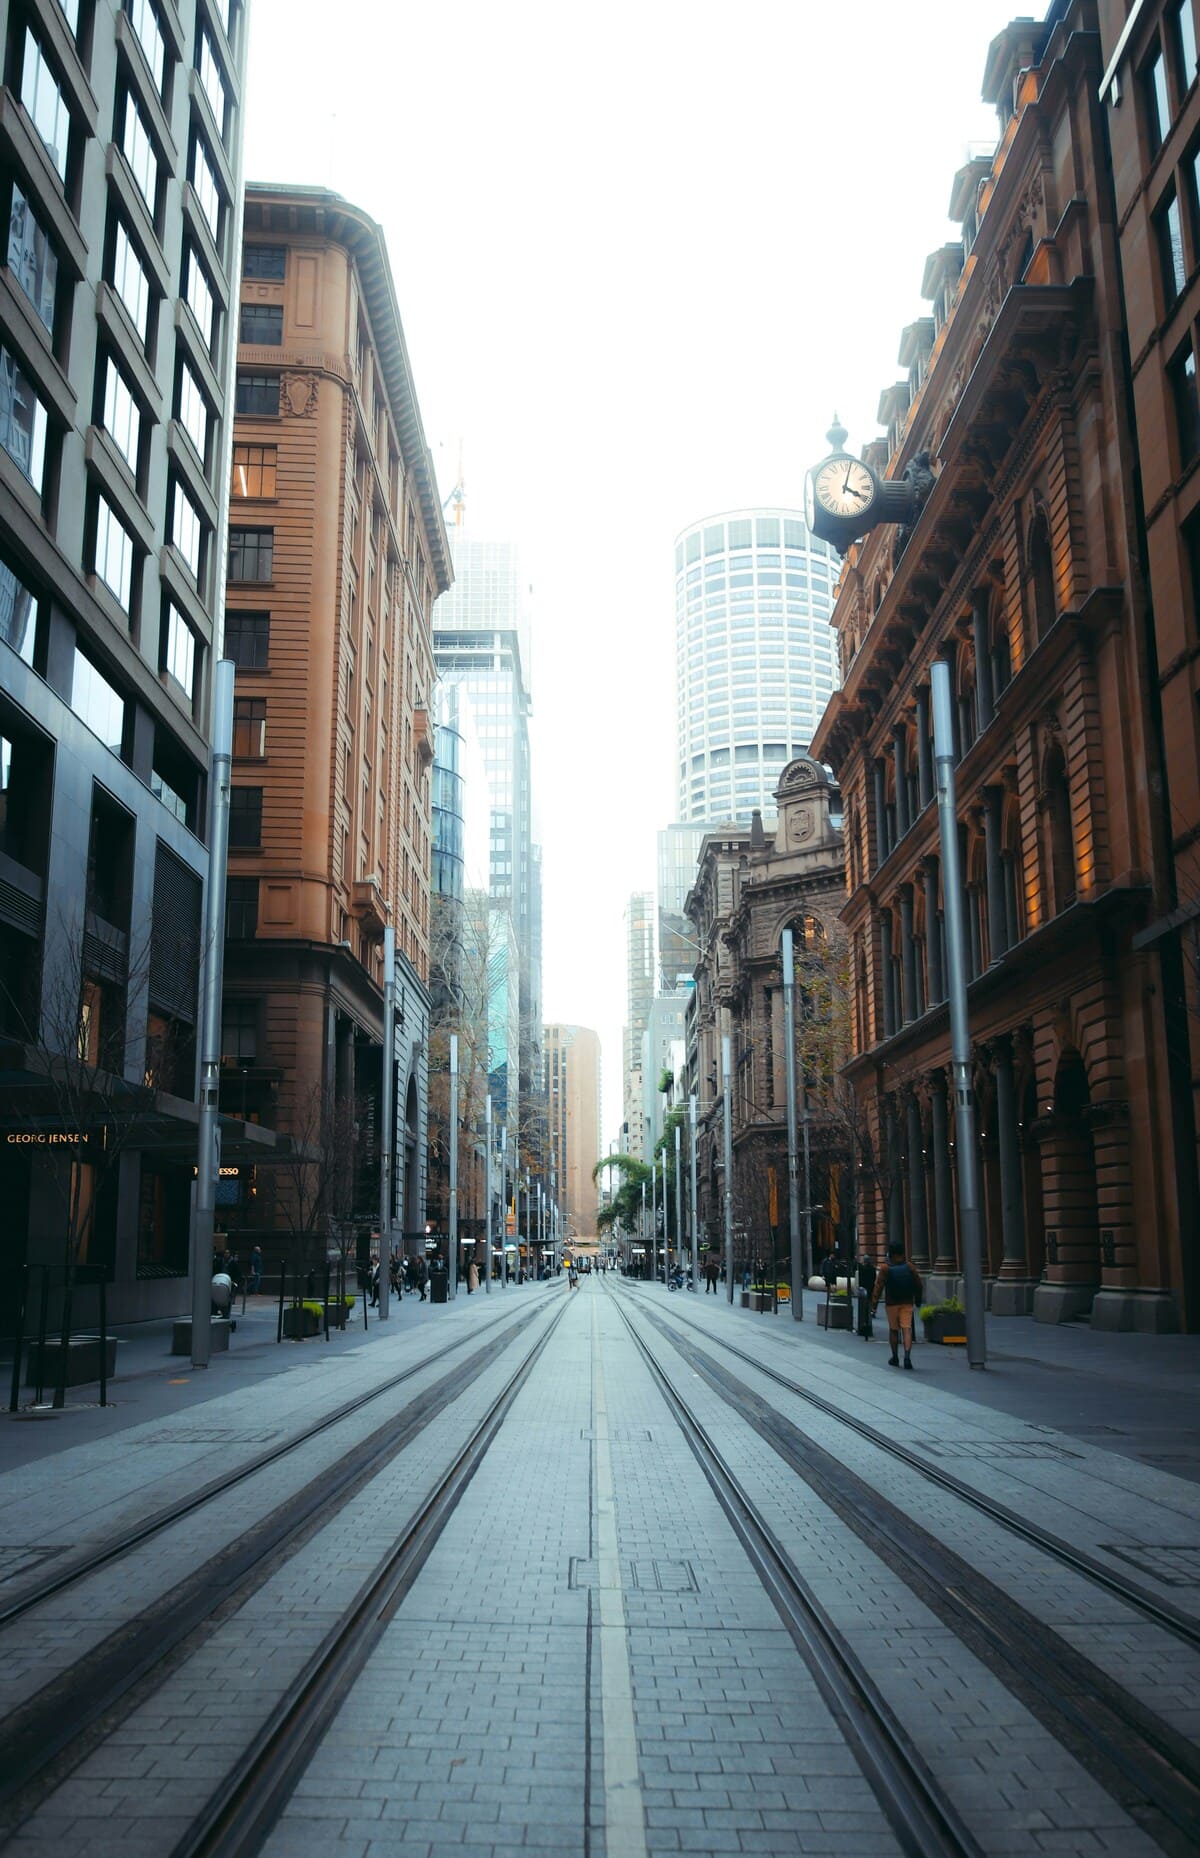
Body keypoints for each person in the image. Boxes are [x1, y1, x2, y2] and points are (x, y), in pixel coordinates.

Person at [870, 1239, 923, 1368]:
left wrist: (874, 1305)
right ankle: (907, 1357)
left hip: (892, 1302)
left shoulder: (885, 1268)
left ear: (891, 1253)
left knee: (894, 1330)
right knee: (907, 1329)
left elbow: (878, 1287)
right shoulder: (909, 1266)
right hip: (907, 1301)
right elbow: (918, 1284)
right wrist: (918, 1299)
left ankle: (894, 1357)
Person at [855, 1249, 876, 1340]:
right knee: (868, 1306)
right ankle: (869, 1324)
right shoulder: (872, 1269)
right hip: (870, 1289)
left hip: (863, 1290)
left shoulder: (862, 1269)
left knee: (863, 1309)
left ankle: (864, 1328)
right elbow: (874, 1278)